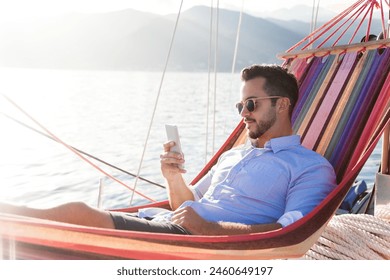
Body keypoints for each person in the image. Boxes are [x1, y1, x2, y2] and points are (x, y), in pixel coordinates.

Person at [0, 64, 336, 235]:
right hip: (168, 223)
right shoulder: (233, 155)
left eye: (251, 103)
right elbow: (187, 204)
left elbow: (292, 229)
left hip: (198, 241)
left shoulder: (310, 167)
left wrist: (211, 229)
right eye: (240, 105)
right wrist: (173, 177)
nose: (244, 113)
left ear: (282, 106)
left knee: (77, 214)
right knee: (76, 214)